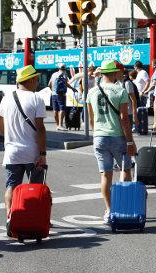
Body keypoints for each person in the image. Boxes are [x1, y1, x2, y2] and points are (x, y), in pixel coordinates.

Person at [86, 60, 137, 224]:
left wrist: (96, 132)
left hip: (99, 136)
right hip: (118, 136)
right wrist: (130, 141)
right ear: (114, 73)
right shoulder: (120, 90)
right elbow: (124, 118)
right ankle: (122, 207)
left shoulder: (92, 92)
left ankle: (109, 210)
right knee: (125, 169)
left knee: (105, 175)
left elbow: (91, 118)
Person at [0, 65, 47, 223]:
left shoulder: (7, 98)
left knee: (11, 186)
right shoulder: (36, 98)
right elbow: (40, 128)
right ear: (30, 80)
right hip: (32, 152)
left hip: (12, 151)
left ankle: (10, 217)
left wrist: (9, 138)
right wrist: (42, 153)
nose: (37, 82)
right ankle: (35, 218)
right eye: (36, 79)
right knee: (35, 187)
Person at [48, 64, 77, 131]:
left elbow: (49, 84)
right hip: (61, 94)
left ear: (58, 68)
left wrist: (53, 91)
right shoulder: (64, 74)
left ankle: (57, 125)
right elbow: (66, 83)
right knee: (62, 109)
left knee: (55, 110)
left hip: (53, 94)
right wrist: (72, 88)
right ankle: (60, 125)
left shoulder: (54, 74)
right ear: (64, 68)